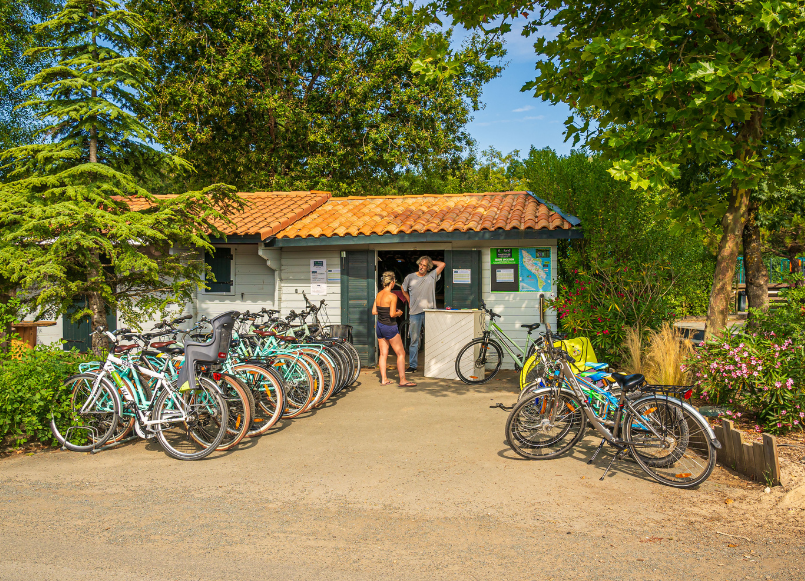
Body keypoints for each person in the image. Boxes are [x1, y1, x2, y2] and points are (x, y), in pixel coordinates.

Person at [401, 256, 446, 373]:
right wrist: (409, 300)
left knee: (432, 339)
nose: (421, 267)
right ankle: (413, 366)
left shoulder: (432, 276)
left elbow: (442, 264)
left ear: (429, 267)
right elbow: (403, 288)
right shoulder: (410, 277)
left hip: (429, 312)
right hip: (415, 313)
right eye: (420, 264)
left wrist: (431, 261)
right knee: (414, 340)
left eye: (425, 265)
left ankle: (434, 366)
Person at [372, 271, 416, 386]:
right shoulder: (392, 296)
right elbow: (392, 314)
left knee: (383, 354)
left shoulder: (378, 294)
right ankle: (402, 380)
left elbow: (374, 311)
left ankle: (384, 379)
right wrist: (399, 313)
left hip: (380, 326)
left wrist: (386, 312)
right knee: (401, 353)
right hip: (389, 327)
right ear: (392, 282)